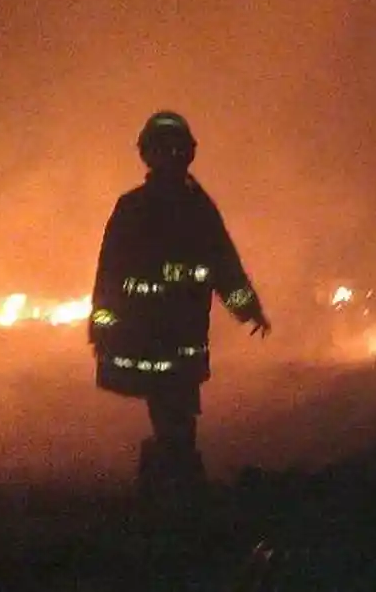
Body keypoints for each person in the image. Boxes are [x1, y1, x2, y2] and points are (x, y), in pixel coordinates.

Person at [88, 110, 271, 503]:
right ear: (150, 155)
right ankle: (174, 482)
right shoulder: (143, 208)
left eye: (176, 150)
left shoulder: (193, 208)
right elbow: (109, 274)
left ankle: (171, 480)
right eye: (164, 150)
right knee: (172, 410)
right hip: (153, 334)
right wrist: (102, 326)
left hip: (180, 333)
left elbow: (224, 265)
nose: (171, 157)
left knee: (177, 410)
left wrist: (247, 308)